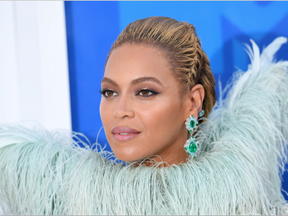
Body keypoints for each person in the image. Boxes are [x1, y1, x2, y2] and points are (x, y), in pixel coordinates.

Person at [0, 16, 288, 215]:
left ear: (192, 102)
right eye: (109, 92)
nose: (120, 110)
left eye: (146, 92)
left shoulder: (241, 191)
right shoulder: (71, 196)